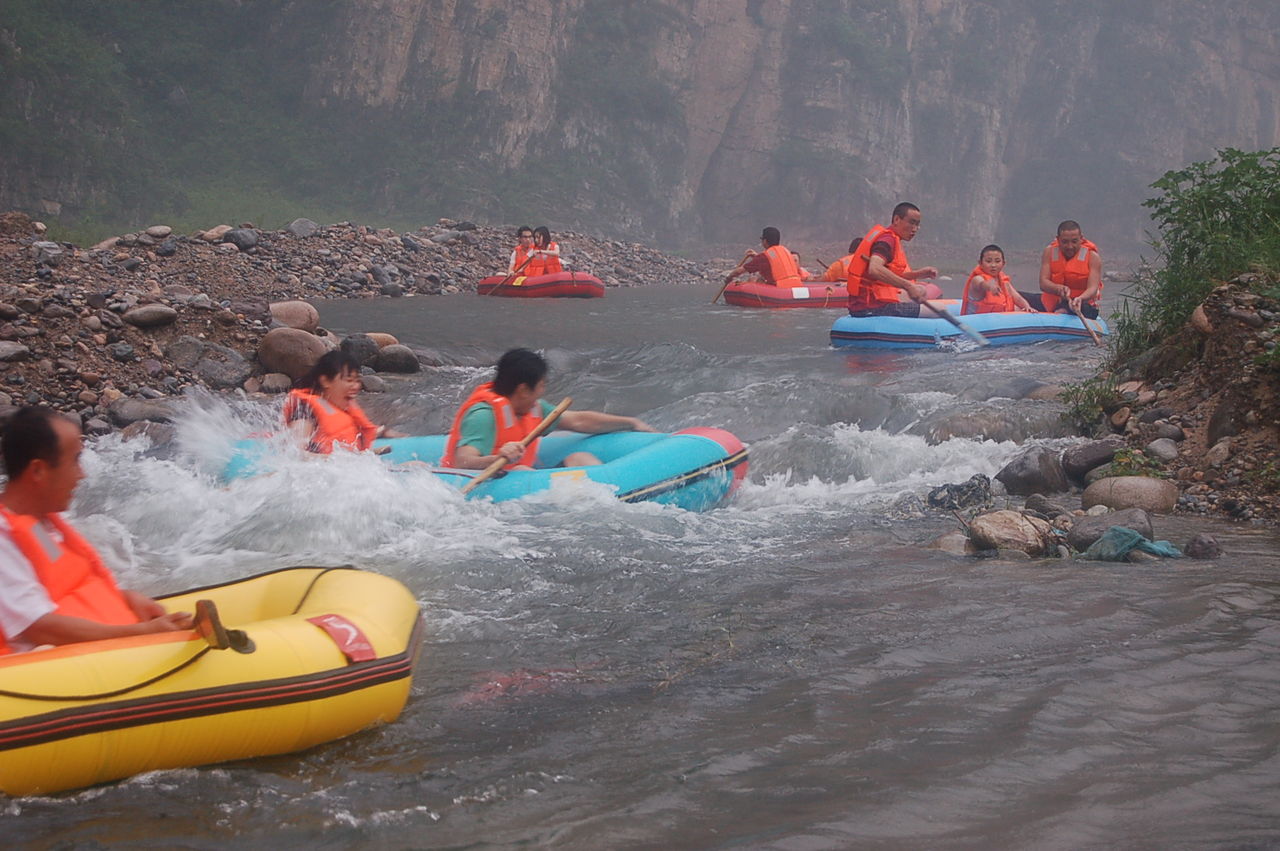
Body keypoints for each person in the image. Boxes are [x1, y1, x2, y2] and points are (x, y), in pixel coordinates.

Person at [0, 407, 192, 654]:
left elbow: (60, 585)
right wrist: (141, 634)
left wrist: (125, 598)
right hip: (46, 673)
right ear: (38, 471)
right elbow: (39, 627)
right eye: (75, 461)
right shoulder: (4, 540)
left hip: (96, 654)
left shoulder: (38, 526)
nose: (82, 475)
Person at [441, 348, 653, 470]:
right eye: (542, 384)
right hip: (488, 488)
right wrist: (498, 458)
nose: (543, 390)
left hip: (520, 480)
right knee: (522, 469)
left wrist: (631, 422)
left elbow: (578, 421)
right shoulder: (483, 416)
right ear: (524, 390)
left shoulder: (532, 408)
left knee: (580, 459)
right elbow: (463, 461)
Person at [283, 351, 400, 454]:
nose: (356, 386)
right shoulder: (305, 410)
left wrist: (383, 431)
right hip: (321, 474)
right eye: (349, 380)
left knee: (415, 465)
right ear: (325, 381)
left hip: (345, 469)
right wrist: (355, 458)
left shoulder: (340, 406)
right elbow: (296, 455)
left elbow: (348, 433)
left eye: (357, 380)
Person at [846, 202, 940, 317]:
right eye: (911, 223)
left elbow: (890, 274)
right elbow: (874, 269)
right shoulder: (887, 240)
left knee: (921, 293)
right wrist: (909, 286)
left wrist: (919, 274)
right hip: (872, 309)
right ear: (896, 219)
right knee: (940, 309)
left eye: (917, 224)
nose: (915, 229)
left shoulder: (892, 239)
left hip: (868, 307)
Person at [1033, 220, 1103, 318]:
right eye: (1065, 242)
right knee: (1017, 297)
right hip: (1050, 303)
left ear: (1081, 239)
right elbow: (1043, 283)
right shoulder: (1049, 252)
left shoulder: (1093, 257)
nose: (1070, 246)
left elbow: (1093, 288)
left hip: (1080, 305)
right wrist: (1058, 289)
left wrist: (1080, 298)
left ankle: (1062, 312)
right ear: (1058, 239)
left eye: (1074, 241)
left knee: (1070, 307)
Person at [960, 244, 1033, 314]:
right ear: (980, 263)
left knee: (1017, 309)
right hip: (977, 322)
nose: (993, 265)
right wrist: (989, 286)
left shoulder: (1004, 281)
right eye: (988, 261)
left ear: (1003, 263)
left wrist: (1027, 306)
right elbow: (981, 284)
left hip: (998, 319)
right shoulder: (977, 279)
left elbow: (1017, 298)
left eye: (997, 261)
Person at [722, 227, 803, 288]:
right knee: (760, 279)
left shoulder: (764, 256)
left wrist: (729, 277)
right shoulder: (785, 251)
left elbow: (740, 271)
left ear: (765, 241)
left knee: (754, 279)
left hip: (781, 288)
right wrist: (756, 256)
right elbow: (773, 264)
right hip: (796, 285)